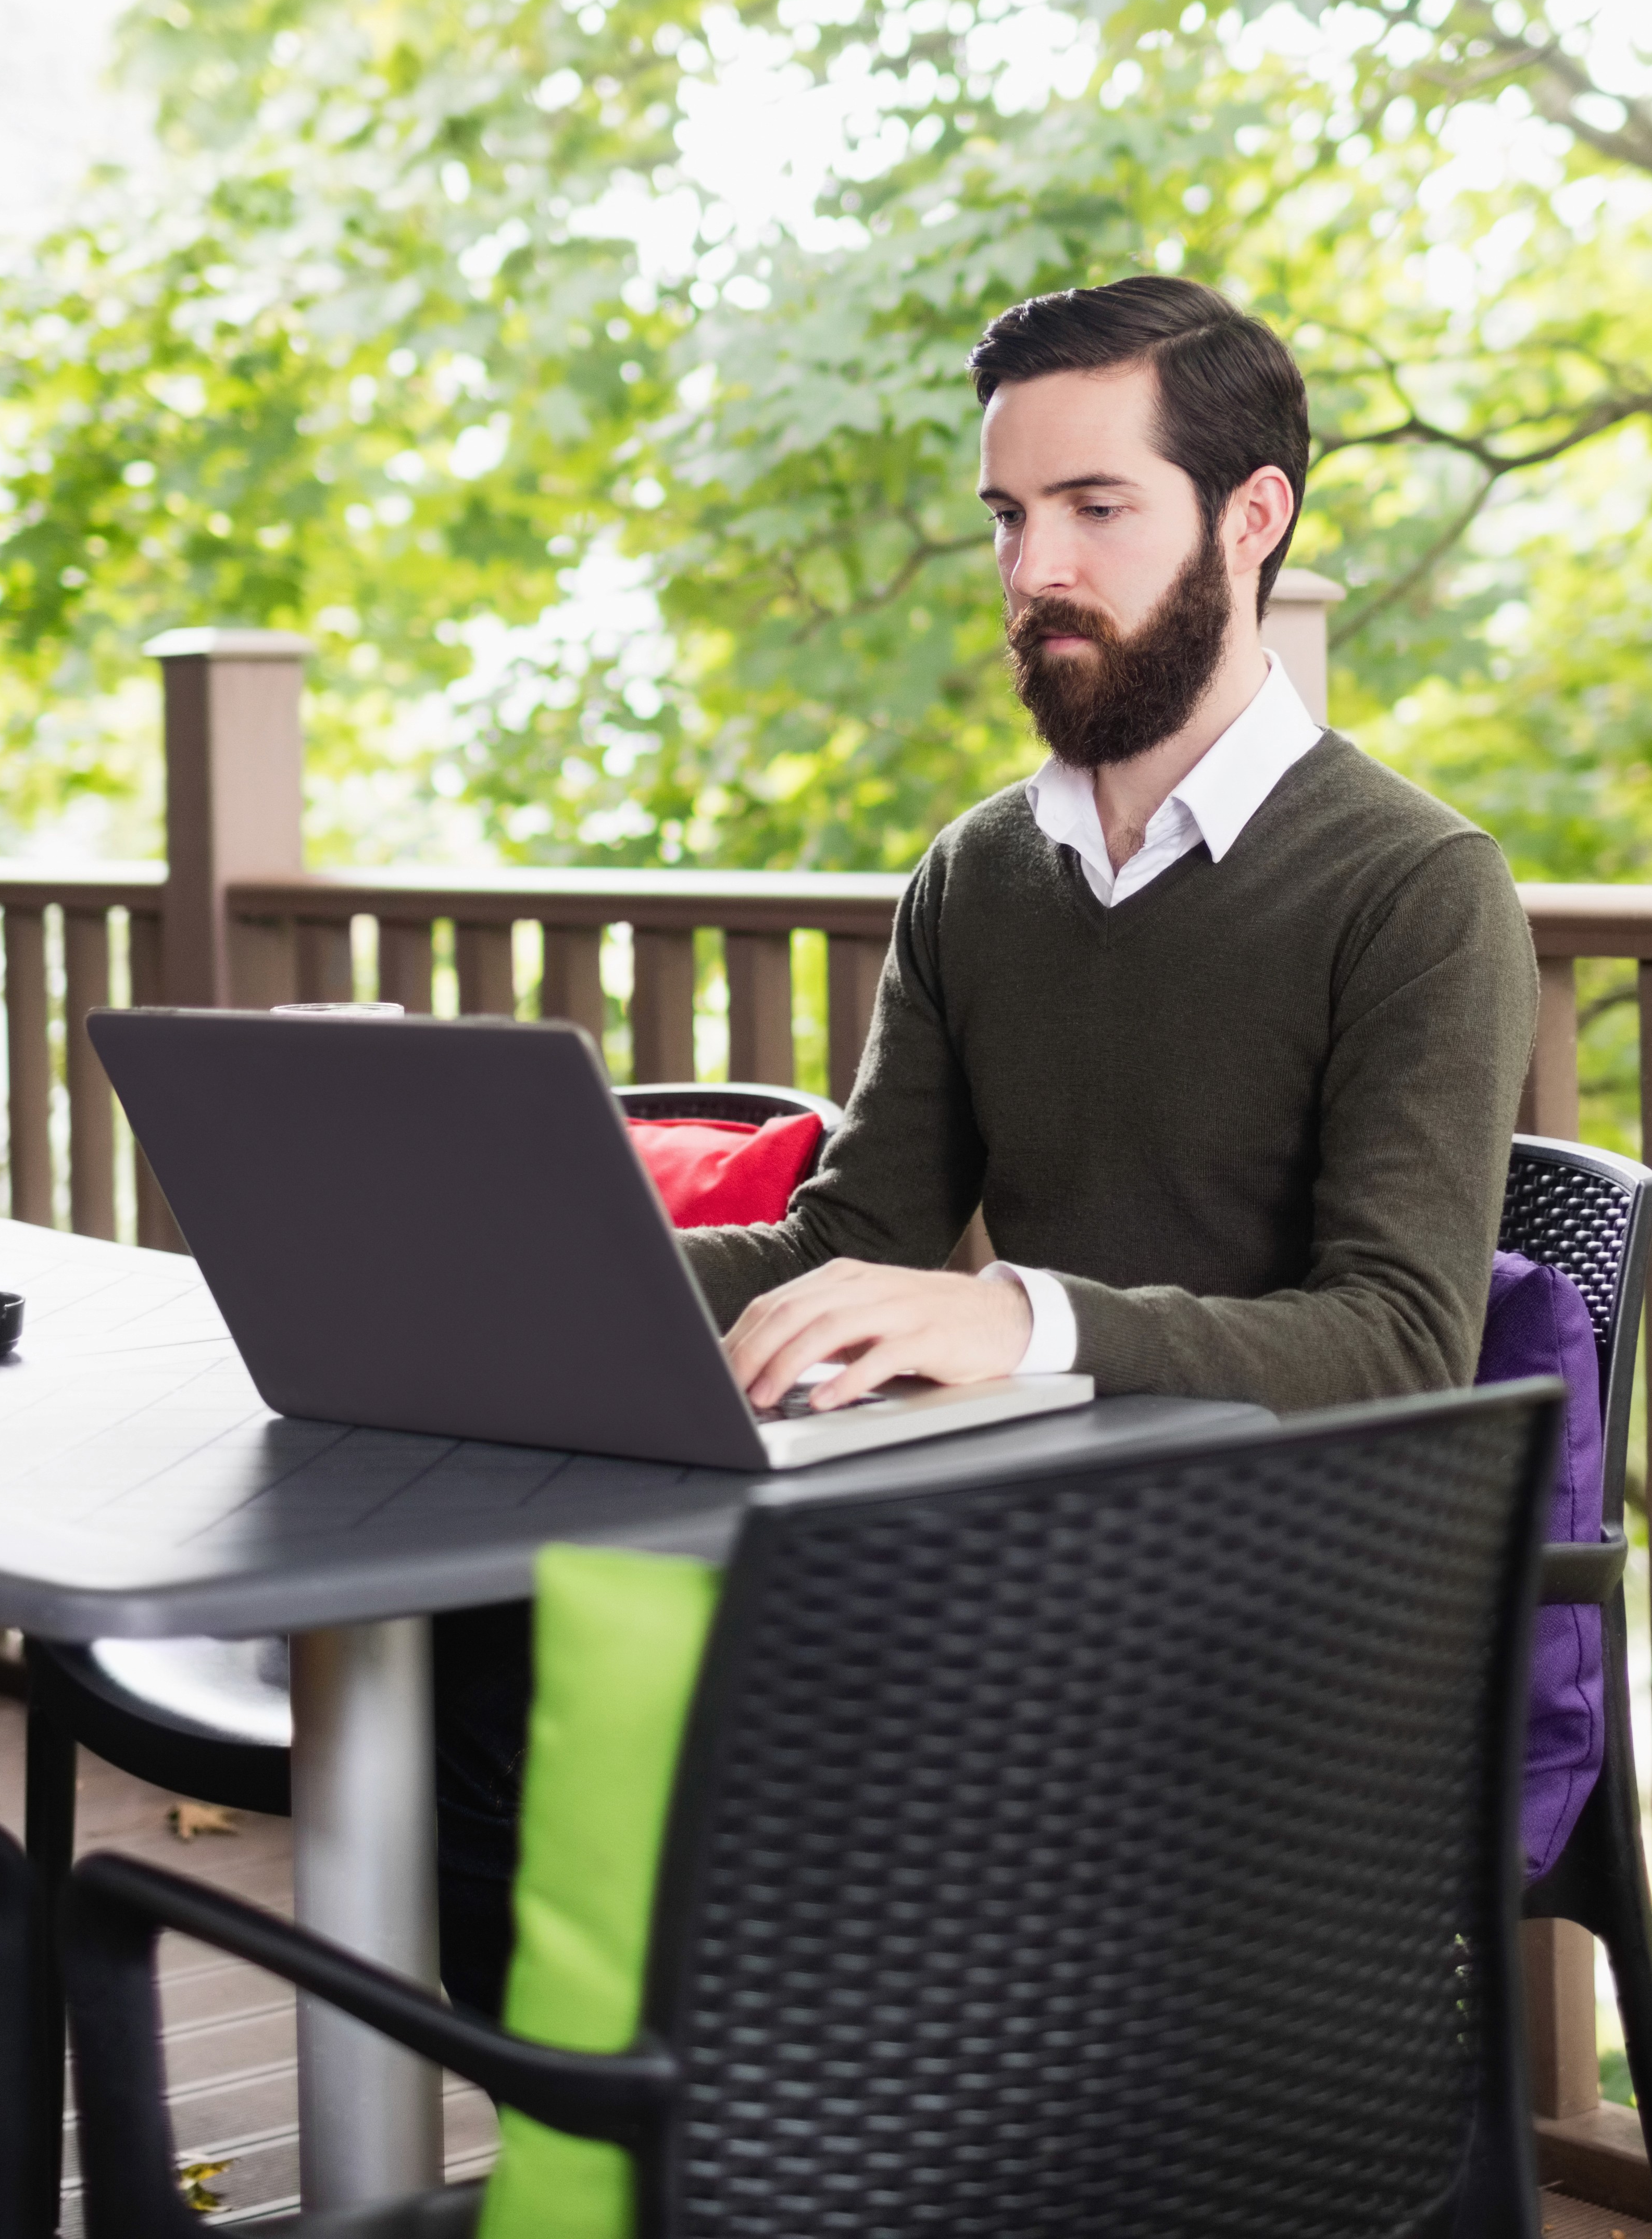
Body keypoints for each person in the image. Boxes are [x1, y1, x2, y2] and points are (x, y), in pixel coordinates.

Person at [433, 272, 1541, 2008]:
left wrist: (1017, 1316)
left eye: (1097, 508)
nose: (1036, 570)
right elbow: (846, 1237)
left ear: (1252, 518)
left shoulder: (1418, 888)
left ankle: (782, 2102)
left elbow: (1400, 1341)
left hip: (1262, 1592)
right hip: (1000, 1540)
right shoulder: (978, 874)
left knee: (636, 1685)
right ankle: (653, 2121)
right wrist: (542, 1262)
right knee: (501, 1626)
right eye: (1011, 518)